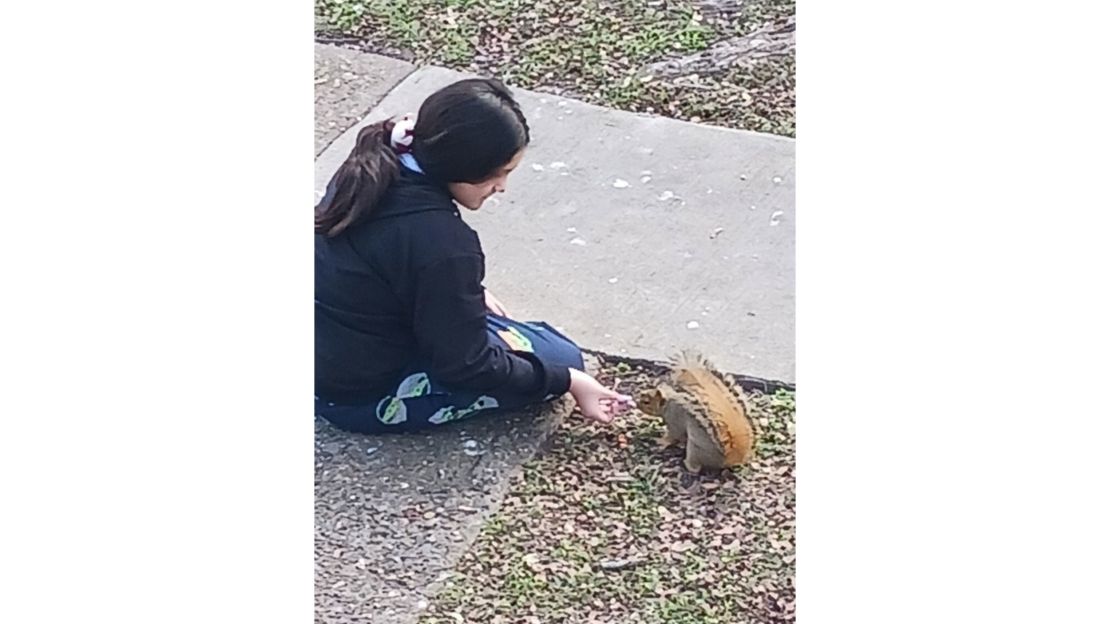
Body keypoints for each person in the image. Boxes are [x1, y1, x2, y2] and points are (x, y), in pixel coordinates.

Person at [314, 77, 632, 433]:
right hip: (357, 397)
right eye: (500, 173)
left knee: (517, 339)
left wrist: (462, 292)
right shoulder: (444, 244)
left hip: (331, 347)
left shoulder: (375, 161)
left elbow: (383, 256)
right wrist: (567, 381)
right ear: (464, 165)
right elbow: (466, 365)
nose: (502, 187)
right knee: (560, 356)